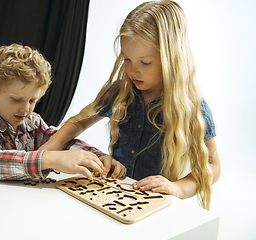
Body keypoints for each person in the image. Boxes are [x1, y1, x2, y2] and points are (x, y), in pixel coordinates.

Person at [39, 0, 221, 209]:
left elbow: (213, 166)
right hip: (113, 196)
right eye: (127, 59)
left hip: (154, 205)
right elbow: (79, 122)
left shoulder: (192, 106)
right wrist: (51, 149)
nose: (133, 71)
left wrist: (179, 188)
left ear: (172, 57)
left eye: (145, 62)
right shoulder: (120, 92)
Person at [0, 43, 126, 181]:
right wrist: (49, 158)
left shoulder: (33, 122)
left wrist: (97, 158)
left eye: (32, 101)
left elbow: (62, 142)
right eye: (16, 99)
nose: (25, 108)